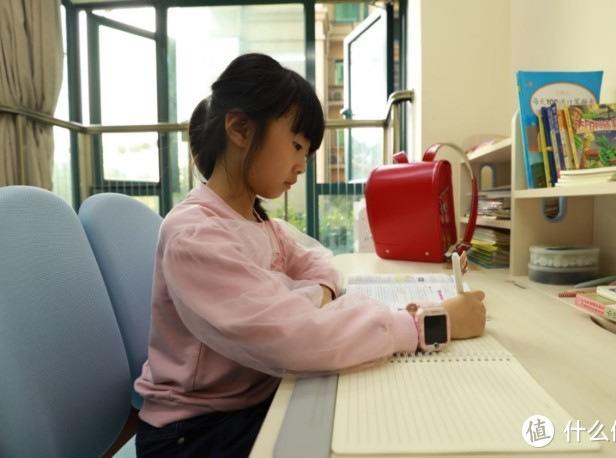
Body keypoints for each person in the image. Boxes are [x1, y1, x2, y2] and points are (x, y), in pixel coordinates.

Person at [134, 52, 486, 457]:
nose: (301, 165)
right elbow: (295, 336)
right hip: (193, 432)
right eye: (297, 145)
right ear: (240, 128)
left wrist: (313, 293)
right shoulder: (195, 236)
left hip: (250, 398)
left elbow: (318, 261)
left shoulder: (257, 221)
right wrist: (425, 326)